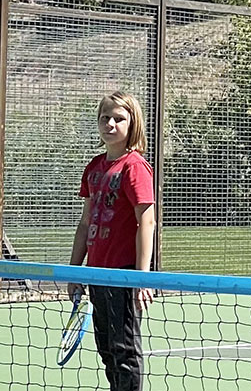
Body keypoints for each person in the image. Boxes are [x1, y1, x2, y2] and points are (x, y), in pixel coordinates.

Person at [67, 92, 156, 391]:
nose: (110, 124)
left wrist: (141, 277)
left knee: (125, 352)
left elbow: (147, 221)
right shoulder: (94, 168)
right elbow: (85, 223)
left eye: (119, 118)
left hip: (123, 275)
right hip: (96, 276)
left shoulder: (135, 167)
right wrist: (74, 272)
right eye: (105, 117)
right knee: (107, 350)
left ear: (133, 124)